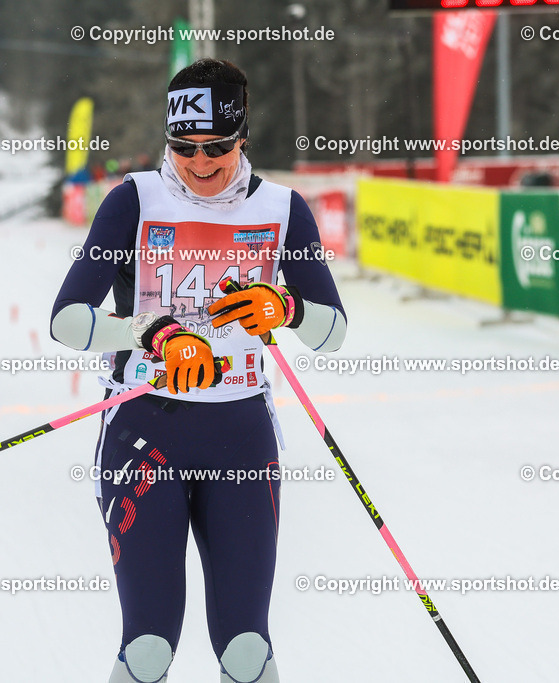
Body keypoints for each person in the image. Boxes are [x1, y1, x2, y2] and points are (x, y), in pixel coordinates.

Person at [50, 58, 346, 683]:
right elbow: (68, 320)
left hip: (240, 435)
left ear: (244, 139)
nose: (201, 162)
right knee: (151, 644)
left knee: (245, 649)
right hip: (143, 433)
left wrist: (285, 307)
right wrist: (153, 335)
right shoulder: (134, 200)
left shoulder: (283, 209)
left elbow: (333, 332)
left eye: (217, 147)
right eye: (184, 148)